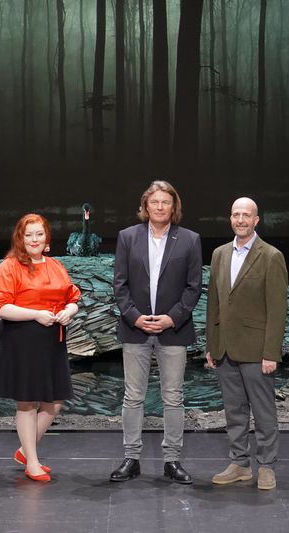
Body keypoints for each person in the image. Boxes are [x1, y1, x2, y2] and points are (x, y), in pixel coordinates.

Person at [110, 180, 203, 484]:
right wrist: (135, 318)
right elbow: (120, 285)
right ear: (145, 206)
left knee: (173, 397)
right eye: (154, 202)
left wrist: (171, 319)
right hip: (135, 329)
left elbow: (193, 288)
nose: (160, 207)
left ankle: (172, 460)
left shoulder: (189, 240)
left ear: (174, 207)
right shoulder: (127, 237)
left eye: (165, 202)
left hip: (173, 330)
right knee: (133, 396)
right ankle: (131, 458)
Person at [0, 214, 81, 483]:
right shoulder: (9, 267)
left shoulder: (55, 266)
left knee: (55, 401)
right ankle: (32, 461)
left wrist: (69, 311)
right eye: (28, 235)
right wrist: (36, 314)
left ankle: (24, 451)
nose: (34, 239)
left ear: (46, 237)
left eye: (39, 234)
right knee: (27, 402)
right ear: (20, 238)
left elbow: (72, 297)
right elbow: (0, 307)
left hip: (53, 341)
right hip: (22, 341)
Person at [205, 197, 288, 491]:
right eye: (236, 214)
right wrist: (211, 345)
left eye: (246, 215)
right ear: (230, 218)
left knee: (264, 413)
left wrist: (271, 353)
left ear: (256, 220)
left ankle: (266, 466)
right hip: (225, 349)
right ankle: (239, 463)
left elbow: (277, 310)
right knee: (234, 411)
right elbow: (214, 304)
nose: (240, 220)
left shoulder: (271, 256)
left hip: (256, 350)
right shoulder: (219, 254)